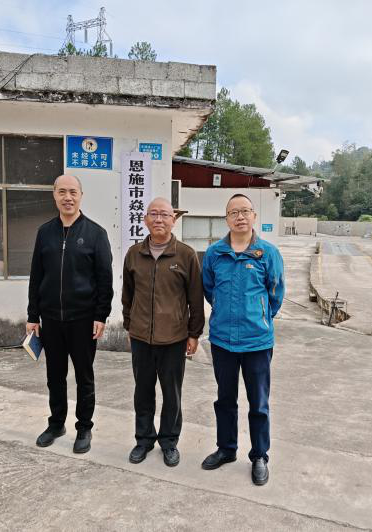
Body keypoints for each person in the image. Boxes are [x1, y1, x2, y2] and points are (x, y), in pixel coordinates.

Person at [201, 193, 285, 486]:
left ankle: (259, 455)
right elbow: (209, 290)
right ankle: (226, 449)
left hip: (257, 342)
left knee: (258, 403)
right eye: (234, 212)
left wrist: (259, 316)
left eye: (245, 211)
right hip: (222, 340)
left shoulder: (268, 253)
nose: (240, 217)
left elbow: (275, 294)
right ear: (226, 219)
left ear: (254, 216)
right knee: (225, 399)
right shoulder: (214, 254)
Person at [26, 174, 113, 454]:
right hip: (51, 319)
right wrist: (33, 315)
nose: (68, 197)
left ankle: (84, 427)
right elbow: (36, 276)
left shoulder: (96, 233)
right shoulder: (45, 233)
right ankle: (56, 424)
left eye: (73, 192)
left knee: (84, 377)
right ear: (54, 195)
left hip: (83, 320)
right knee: (55, 375)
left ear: (81, 196)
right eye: (62, 192)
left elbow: (105, 280)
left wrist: (101, 315)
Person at [122, 197, 205, 467]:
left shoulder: (186, 255)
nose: (159, 219)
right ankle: (144, 440)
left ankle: (169, 441)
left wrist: (194, 334)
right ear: (145, 219)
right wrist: (129, 325)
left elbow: (195, 298)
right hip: (141, 338)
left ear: (174, 220)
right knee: (143, 392)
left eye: (165, 215)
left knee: (172, 393)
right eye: (154, 214)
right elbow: (127, 295)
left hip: (174, 338)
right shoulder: (134, 254)